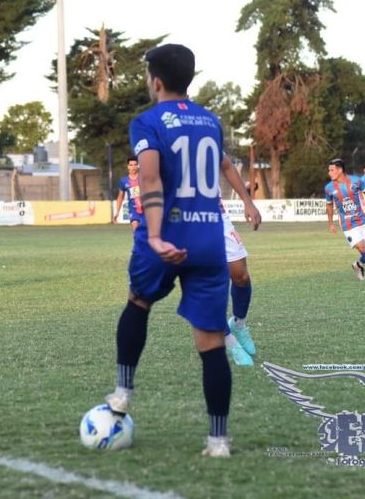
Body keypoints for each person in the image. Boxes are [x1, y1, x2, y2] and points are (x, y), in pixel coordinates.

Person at [103, 43, 258, 458]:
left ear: (155, 81)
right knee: (210, 342)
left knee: (138, 302)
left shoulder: (147, 122)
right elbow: (221, 169)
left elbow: (150, 178)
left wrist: (154, 235)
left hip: (168, 233)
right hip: (209, 240)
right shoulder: (211, 122)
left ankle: (122, 394)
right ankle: (219, 441)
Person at [218, 162, 261, 367]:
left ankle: (239, 324)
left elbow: (226, 166)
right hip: (183, 218)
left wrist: (247, 201)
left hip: (216, 214)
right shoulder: (164, 135)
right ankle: (231, 343)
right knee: (207, 287)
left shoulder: (208, 129)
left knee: (241, 276)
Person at [325, 159, 365, 282]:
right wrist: (331, 223)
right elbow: (329, 205)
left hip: (362, 220)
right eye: (329, 170)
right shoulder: (329, 188)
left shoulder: (356, 180)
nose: (329, 173)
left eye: (332, 170)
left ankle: (358, 264)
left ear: (340, 170)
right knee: (362, 248)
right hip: (348, 225)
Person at [113, 156, 144, 232]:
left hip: (146, 208)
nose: (133, 167)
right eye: (131, 165)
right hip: (133, 209)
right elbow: (120, 197)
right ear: (128, 167)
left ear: (138, 166)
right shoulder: (123, 181)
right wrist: (117, 212)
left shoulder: (143, 178)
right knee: (135, 226)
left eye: (135, 164)